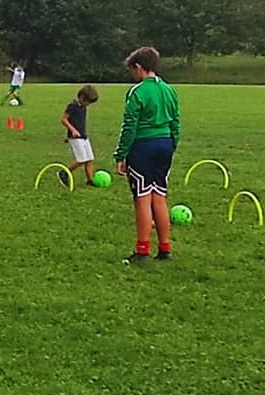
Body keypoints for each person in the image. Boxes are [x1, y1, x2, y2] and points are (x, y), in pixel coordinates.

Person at [113, 47, 181, 264]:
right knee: (159, 196)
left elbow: (129, 126)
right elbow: (175, 122)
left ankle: (142, 251)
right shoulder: (169, 90)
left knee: (142, 198)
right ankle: (164, 248)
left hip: (143, 147)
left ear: (139, 67)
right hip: (165, 145)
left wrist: (121, 154)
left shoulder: (138, 92)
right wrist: (172, 144)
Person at [59, 86, 101, 188]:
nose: (88, 105)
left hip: (83, 136)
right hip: (75, 137)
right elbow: (63, 119)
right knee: (81, 159)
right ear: (82, 97)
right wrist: (72, 130)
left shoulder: (83, 107)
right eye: (88, 102)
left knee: (89, 159)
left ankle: (90, 180)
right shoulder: (72, 106)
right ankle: (64, 172)